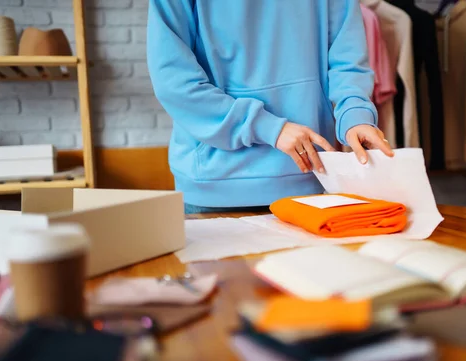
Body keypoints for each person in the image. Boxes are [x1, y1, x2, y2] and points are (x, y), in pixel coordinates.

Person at [147, 0, 394, 214]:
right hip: (215, 184)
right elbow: (174, 80)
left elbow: (347, 58)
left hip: (310, 176)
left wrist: (355, 116)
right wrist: (266, 127)